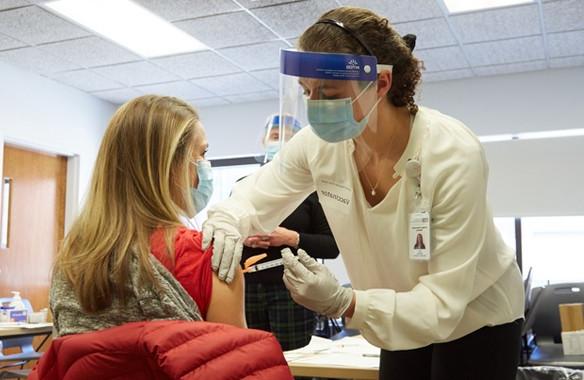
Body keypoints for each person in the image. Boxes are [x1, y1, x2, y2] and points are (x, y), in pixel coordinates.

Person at [202, 6, 524, 380]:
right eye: (307, 92)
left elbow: (443, 303)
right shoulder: (318, 146)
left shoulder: (450, 153)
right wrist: (225, 223)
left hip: (476, 314)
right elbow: (255, 197)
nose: (315, 107)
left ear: (381, 84)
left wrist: (345, 302)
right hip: (396, 311)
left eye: (330, 92)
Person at [51, 95, 246, 337]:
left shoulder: (73, 258)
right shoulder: (210, 258)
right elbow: (233, 367)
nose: (205, 166)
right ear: (168, 166)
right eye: (202, 153)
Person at [241, 114, 339, 350]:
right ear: (264, 142)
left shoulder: (313, 190)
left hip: (295, 288)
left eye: (289, 137)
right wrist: (244, 237)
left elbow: (332, 246)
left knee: (295, 361)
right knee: (253, 358)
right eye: (275, 136)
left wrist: (290, 238)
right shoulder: (245, 185)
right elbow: (228, 233)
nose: (281, 142)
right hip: (248, 288)